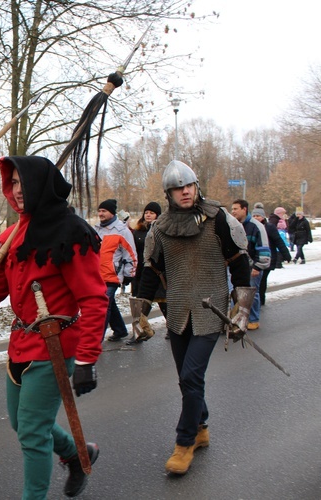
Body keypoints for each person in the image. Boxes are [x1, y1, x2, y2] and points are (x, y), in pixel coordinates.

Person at [0, 156, 107, 499]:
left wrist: (88, 359)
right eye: (12, 183)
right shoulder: (12, 235)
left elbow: (94, 299)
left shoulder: (71, 233)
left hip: (57, 347)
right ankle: (78, 454)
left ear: (40, 186)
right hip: (21, 343)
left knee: (32, 433)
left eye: (23, 183)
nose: (17, 191)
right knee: (23, 424)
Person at [137, 160, 251, 476]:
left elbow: (240, 264)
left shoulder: (219, 220)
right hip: (177, 313)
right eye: (177, 188)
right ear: (169, 193)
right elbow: (148, 272)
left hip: (210, 313)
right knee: (187, 379)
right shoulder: (160, 228)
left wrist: (241, 312)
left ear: (196, 186)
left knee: (190, 376)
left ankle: (184, 442)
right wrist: (140, 315)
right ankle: (201, 428)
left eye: (188, 186)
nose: (184, 192)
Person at [94, 198, 137, 341]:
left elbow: (130, 253)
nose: (100, 214)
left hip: (113, 275)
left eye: (104, 211)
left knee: (103, 306)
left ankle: (96, 340)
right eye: (99, 211)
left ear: (112, 213)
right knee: (109, 303)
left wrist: (129, 273)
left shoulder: (122, 231)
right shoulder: (96, 229)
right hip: (98, 275)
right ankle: (120, 330)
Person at [128, 201, 167, 345]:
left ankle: (173, 328)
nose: (148, 215)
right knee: (140, 305)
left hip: (158, 273)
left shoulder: (161, 230)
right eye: (146, 212)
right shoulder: (137, 232)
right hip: (140, 273)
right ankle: (139, 332)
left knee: (164, 305)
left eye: (151, 213)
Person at [231, 200, 270, 330]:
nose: (233, 211)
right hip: (237, 266)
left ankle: (253, 319)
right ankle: (236, 319)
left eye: (236, 208)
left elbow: (263, 247)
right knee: (236, 293)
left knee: (252, 293)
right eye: (232, 209)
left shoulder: (256, 226)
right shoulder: (233, 225)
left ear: (244, 209)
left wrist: (258, 266)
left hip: (253, 266)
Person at [257, 209, 291, 306]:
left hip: (269, 257)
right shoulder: (252, 227)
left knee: (262, 279)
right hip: (256, 258)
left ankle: (261, 299)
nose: (256, 218)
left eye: (258, 216)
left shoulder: (269, 227)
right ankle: (257, 299)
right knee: (257, 280)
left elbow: (278, 241)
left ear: (263, 217)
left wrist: (286, 255)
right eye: (254, 216)